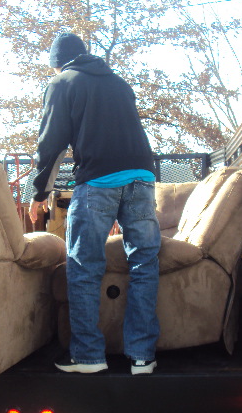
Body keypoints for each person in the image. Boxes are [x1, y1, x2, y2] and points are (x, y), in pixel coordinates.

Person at [29, 32, 161, 375]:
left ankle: (88, 356)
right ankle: (143, 357)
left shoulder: (62, 82)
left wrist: (38, 193)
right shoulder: (118, 83)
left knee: (84, 266)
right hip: (142, 177)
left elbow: (51, 144)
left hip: (99, 182)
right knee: (145, 263)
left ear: (58, 63)